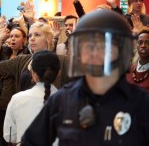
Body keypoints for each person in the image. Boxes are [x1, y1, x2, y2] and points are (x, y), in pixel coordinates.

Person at [22, 10, 149, 145]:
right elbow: (31, 142)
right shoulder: (62, 100)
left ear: (121, 51)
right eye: (88, 46)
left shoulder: (141, 103)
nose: (95, 53)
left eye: (103, 46)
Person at [3, 50, 60, 144]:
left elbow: (9, 136)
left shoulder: (17, 99)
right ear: (58, 73)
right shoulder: (69, 102)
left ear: (33, 73)